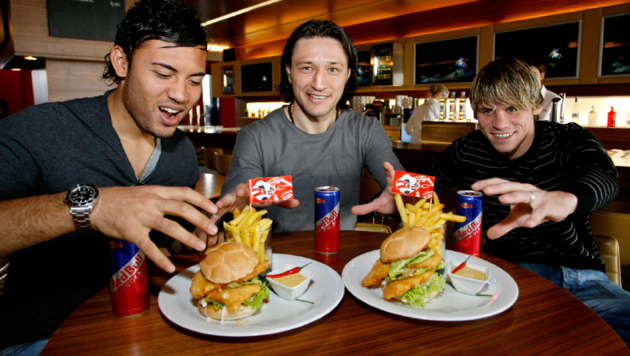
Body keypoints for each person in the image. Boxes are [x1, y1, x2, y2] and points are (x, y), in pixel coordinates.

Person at [0, 1, 220, 354]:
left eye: (194, 80)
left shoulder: (180, 154)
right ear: (121, 62)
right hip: (41, 339)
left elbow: (165, 245)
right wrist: (90, 206)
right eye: (163, 74)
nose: (181, 94)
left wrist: (207, 229)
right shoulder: (39, 130)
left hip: (142, 329)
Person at [423, 58, 630, 345]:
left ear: (536, 106)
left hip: (578, 279)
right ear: (476, 113)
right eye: (487, 110)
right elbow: (425, 183)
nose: (499, 123)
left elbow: (604, 175)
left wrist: (565, 198)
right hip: (504, 277)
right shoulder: (467, 149)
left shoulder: (566, 139)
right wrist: (395, 193)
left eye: (512, 108)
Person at [213, 20, 404, 232]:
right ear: (288, 71)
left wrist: (405, 200)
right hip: (279, 261)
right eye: (306, 68)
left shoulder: (366, 130)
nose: (319, 83)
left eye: (333, 69)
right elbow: (234, 198)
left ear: (348, 74)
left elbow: (412, 190)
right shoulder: (255, 136)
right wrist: (239, 204)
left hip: (343, 259)